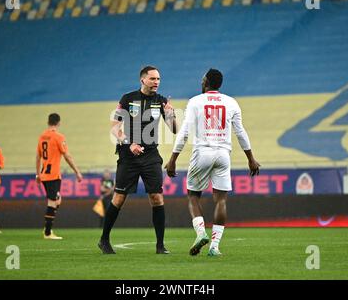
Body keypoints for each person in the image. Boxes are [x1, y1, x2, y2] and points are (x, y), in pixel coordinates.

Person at [165, 68, 260, 256]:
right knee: (221, 199)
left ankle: (201, 233)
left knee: (193, 195)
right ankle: (215, 247)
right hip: (224, 154)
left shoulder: (195, 102)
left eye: (202, 79)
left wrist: (173, 159)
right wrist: (251, 158)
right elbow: (240, 132)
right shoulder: (231, 102)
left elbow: (184, 132)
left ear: (206, 82)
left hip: (203, 152)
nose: (201, 82)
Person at [98, 65, 177, 254]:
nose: (156, 82)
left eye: (158, 79)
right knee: (119, 198)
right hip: (128, 155)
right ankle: (104, 240)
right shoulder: (127, 99)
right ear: (143, 80)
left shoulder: (161, 101)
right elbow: (114, 127)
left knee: (157, 197)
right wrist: (129, 143)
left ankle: (160, 245)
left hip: (151, 155)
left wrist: (171, 115)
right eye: (153, 79)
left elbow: (174, 129)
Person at [36, 113, 83, 240]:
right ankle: (47, 232)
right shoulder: (58, 137)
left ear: (48, 122)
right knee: (52, 202)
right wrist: (77, 171)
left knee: (57, 200)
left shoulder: (42, 137)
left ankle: (47, 225)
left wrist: (37, 174)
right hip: (52, 175)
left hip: (44, 174)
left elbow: (38, 156)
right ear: (58, 123)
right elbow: (67, 156)